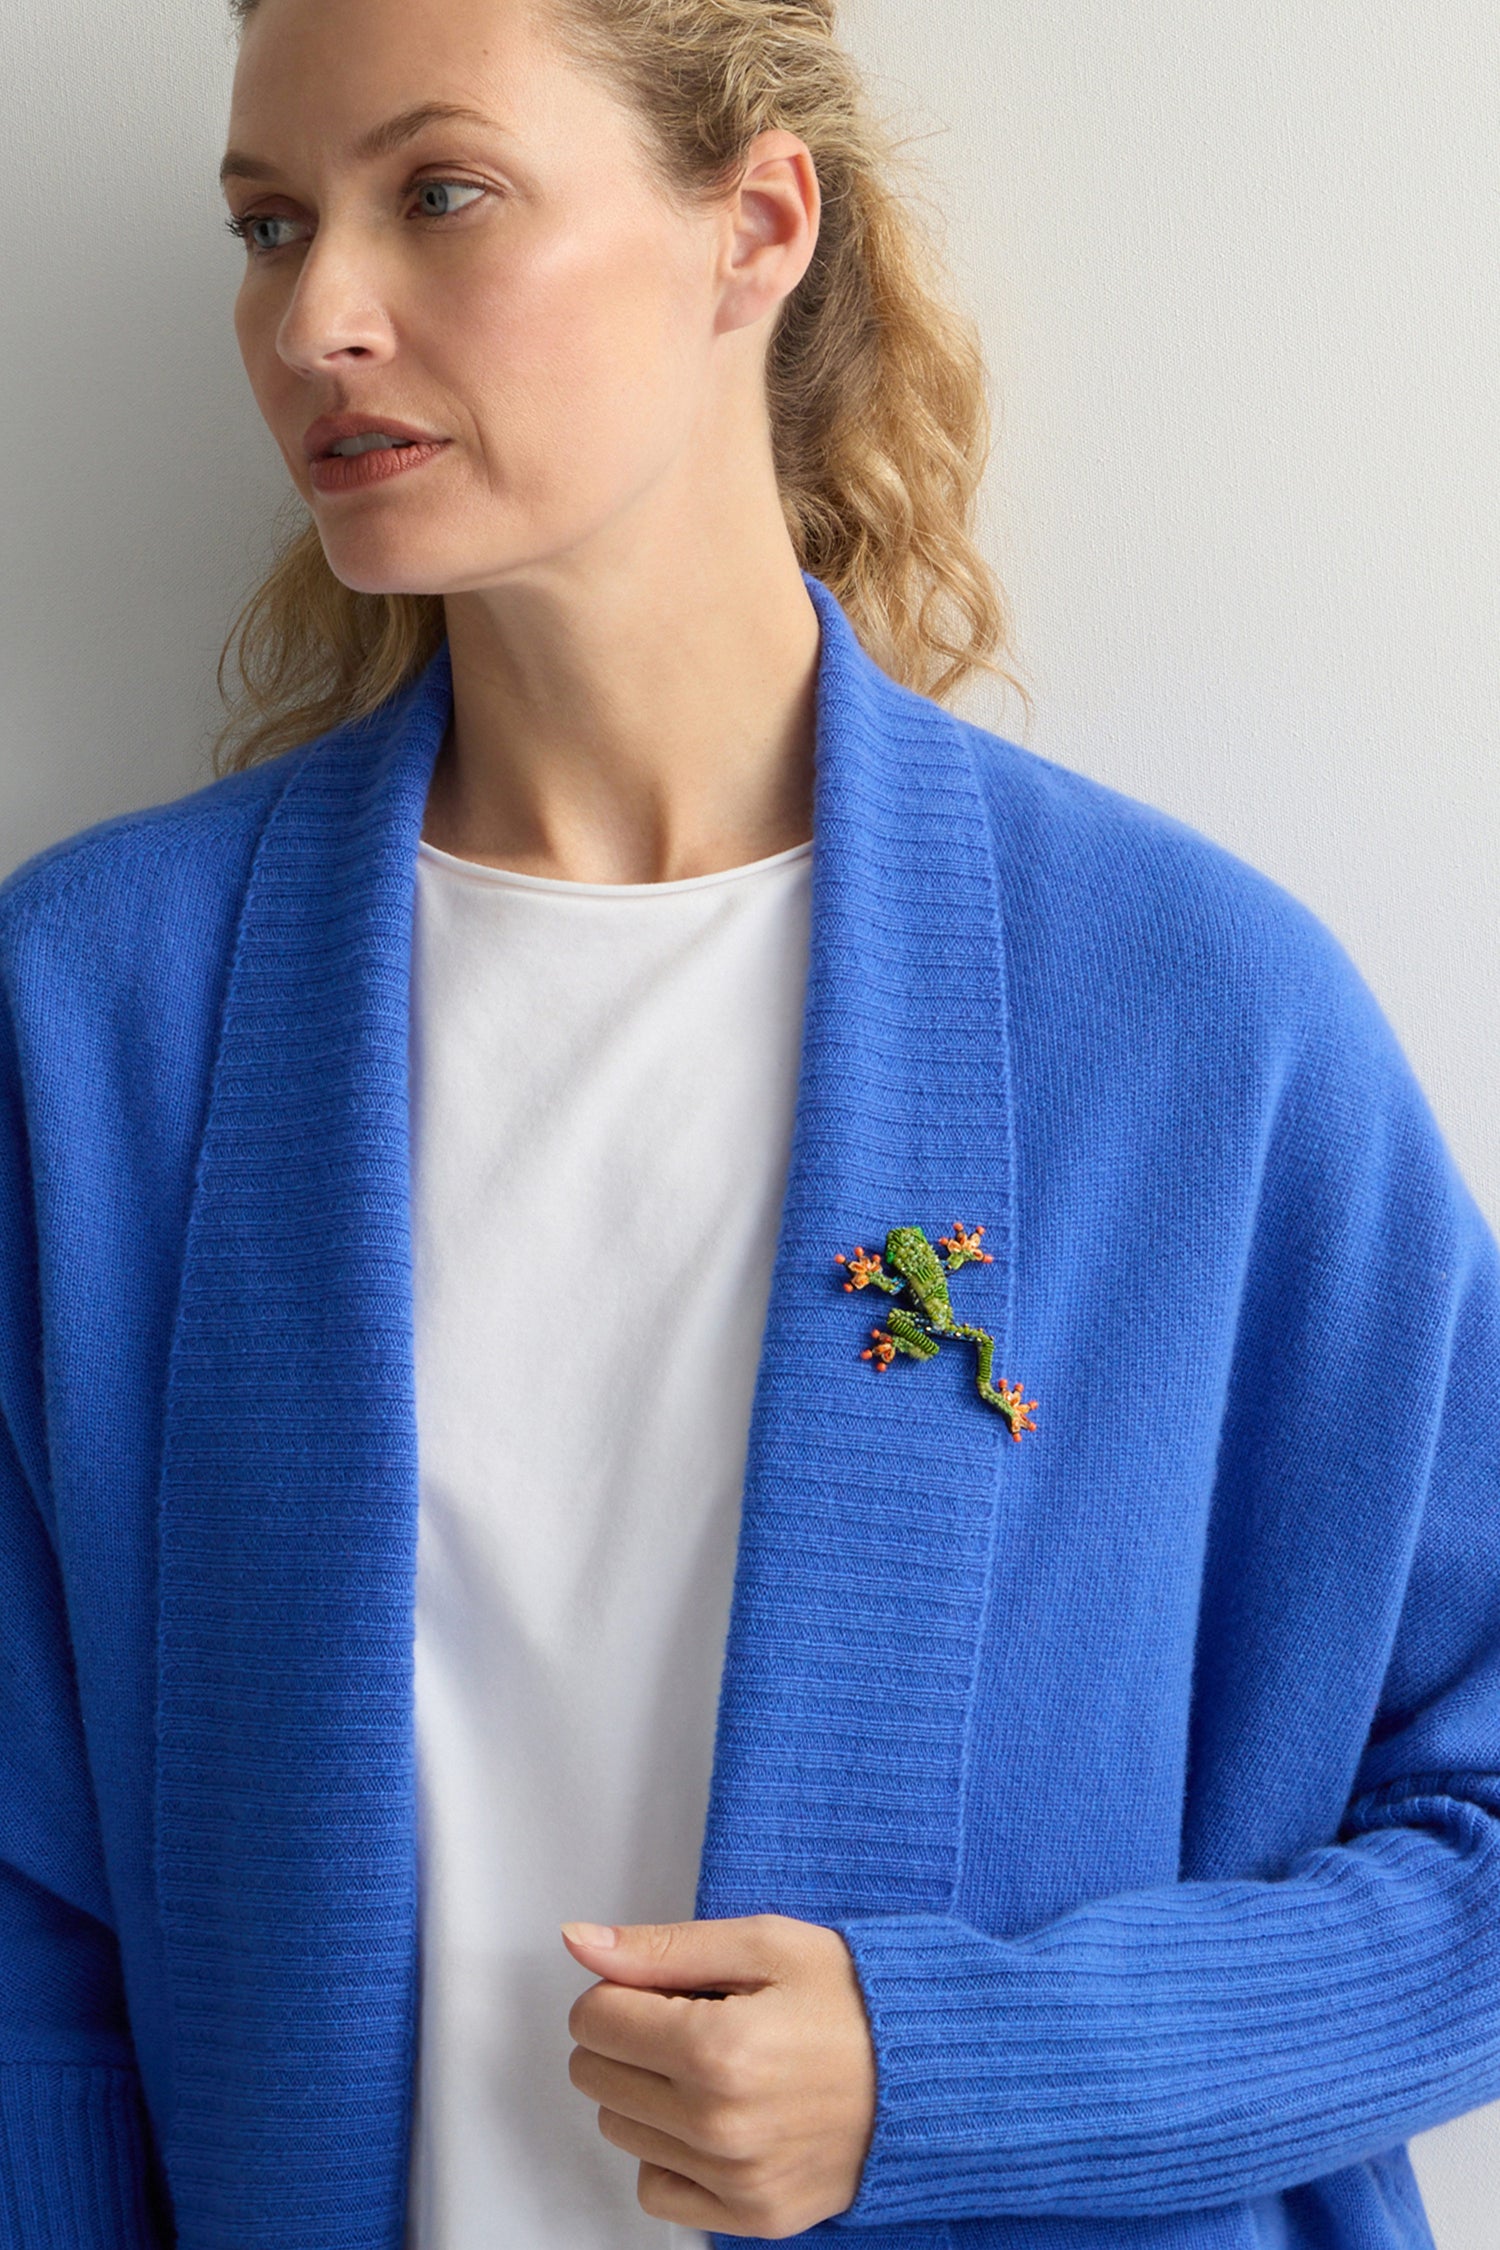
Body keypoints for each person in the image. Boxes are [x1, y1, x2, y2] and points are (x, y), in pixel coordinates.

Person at [1, 0, 1497, 2244]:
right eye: (269, 224)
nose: (315, 319)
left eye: (439, 192)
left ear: (756, 224)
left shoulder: (1193, 1018)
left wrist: (956, 2072)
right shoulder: (101, 1021)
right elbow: (27, 1927)